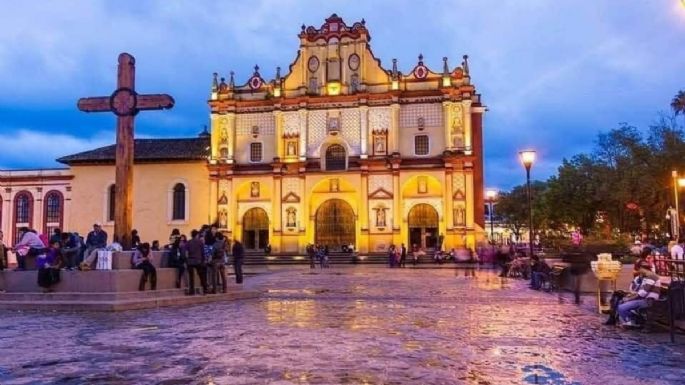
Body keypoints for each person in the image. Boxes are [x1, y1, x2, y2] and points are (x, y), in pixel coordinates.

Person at [185, 230, 208, 295]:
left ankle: (192, 291)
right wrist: (203, 260)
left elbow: (186, 253)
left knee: (191, 277)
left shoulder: (188, 242)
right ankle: (205, 290)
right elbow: (202, 252)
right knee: (202, 276)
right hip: (198, 261)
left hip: (190, 261)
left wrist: (187, 260)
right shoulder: (200, 242)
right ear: (197, 235)